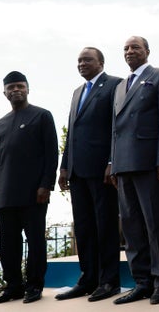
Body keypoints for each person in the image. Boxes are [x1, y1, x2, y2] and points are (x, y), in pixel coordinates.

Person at [0, 72, 58, 306]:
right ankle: (13, 287)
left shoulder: (42, 116)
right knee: (8, 244)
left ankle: (34, 286)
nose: (16, 90)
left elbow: (51, 154)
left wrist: (46, 185)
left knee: (35, 241)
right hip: (5, 195)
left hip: (34, 193)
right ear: (4, 92)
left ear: (28, 89)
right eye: (11, 87)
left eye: (20, 86)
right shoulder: (0, 124)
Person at [109, 36, 159, 305]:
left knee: (156, 224)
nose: (130, 51)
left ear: (148, 51)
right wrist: (113, 162)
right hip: (124, 164)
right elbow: (115, 128)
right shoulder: (120, 86)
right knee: (132, 227)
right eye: (125, 48)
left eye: (136, 47)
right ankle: (142, 282)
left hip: (149, 161)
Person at [56, 48, 122, 302]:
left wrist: (111, 161)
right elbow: (71, 133)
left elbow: (117, 126)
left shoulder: (114, 85)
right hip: (77, 172)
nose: (82, 64)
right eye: (79, 60)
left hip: (101, 171)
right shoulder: (76, 93)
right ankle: (88, 279)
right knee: (83, 228)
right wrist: (64, 167)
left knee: (104, 226)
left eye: (87, 60)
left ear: (101, 63)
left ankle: (108, 281)